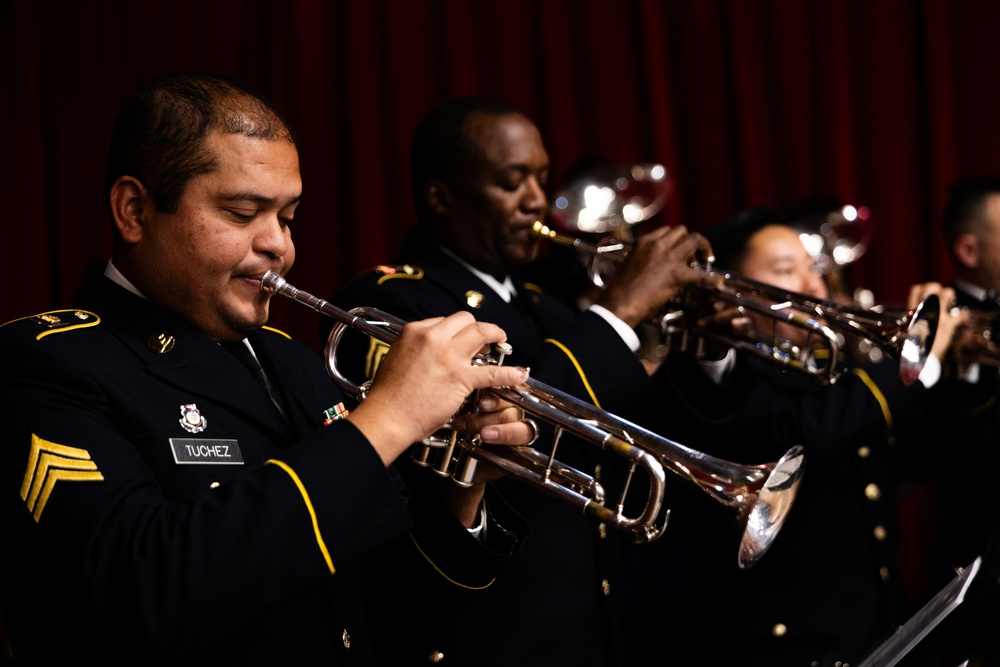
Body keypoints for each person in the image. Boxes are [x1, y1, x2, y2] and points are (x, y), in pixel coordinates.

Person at [0, 74, 537, 666]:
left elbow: (392, 613)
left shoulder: (292, 362)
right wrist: (389, 418)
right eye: (241, 212)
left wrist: (463, 487)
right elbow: (141, 593)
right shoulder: (46, 362)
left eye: (288, 216)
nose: (279, 244)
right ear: (134, 211)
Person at [327, 96, 715, 666]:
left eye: (539, 177)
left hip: (593, 628)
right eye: (512, 182)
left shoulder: (540, 303)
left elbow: (621, 418)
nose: (537, 200)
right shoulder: (388, 301)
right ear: (442, 197)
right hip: (489, 633)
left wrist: (676, 336)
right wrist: (622, 308)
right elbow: (516, 421)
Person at [632, 207, 962, 667]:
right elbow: (812, 432)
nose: (813, 286)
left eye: (815, 269)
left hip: (872, 627)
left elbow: (920, 456)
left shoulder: (835, 371)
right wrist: (923, 364)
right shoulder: (714, 376)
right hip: (783, 647)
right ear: (732, 288)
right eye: (787, 271)